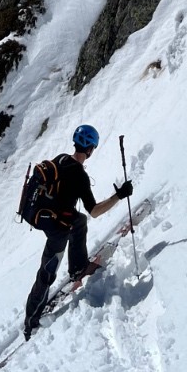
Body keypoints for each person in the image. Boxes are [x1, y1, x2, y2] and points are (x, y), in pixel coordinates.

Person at [23, 124, 132, 339]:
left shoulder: (62, 159)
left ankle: (78, 267)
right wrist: (118, 196)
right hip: (58, 227)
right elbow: (94, 211)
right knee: (47, 272)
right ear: (90, 148)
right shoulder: (80, 176)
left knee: (79, 221)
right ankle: (31, 323)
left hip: (50, 216)